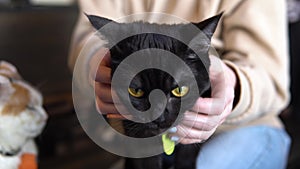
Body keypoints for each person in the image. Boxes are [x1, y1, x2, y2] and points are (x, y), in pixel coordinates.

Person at [68, 0, 291, 168]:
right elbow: (90, 34)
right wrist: (97, 64)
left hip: (240, 128)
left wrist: (232, 85)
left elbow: (272, 79)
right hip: (137, 135)